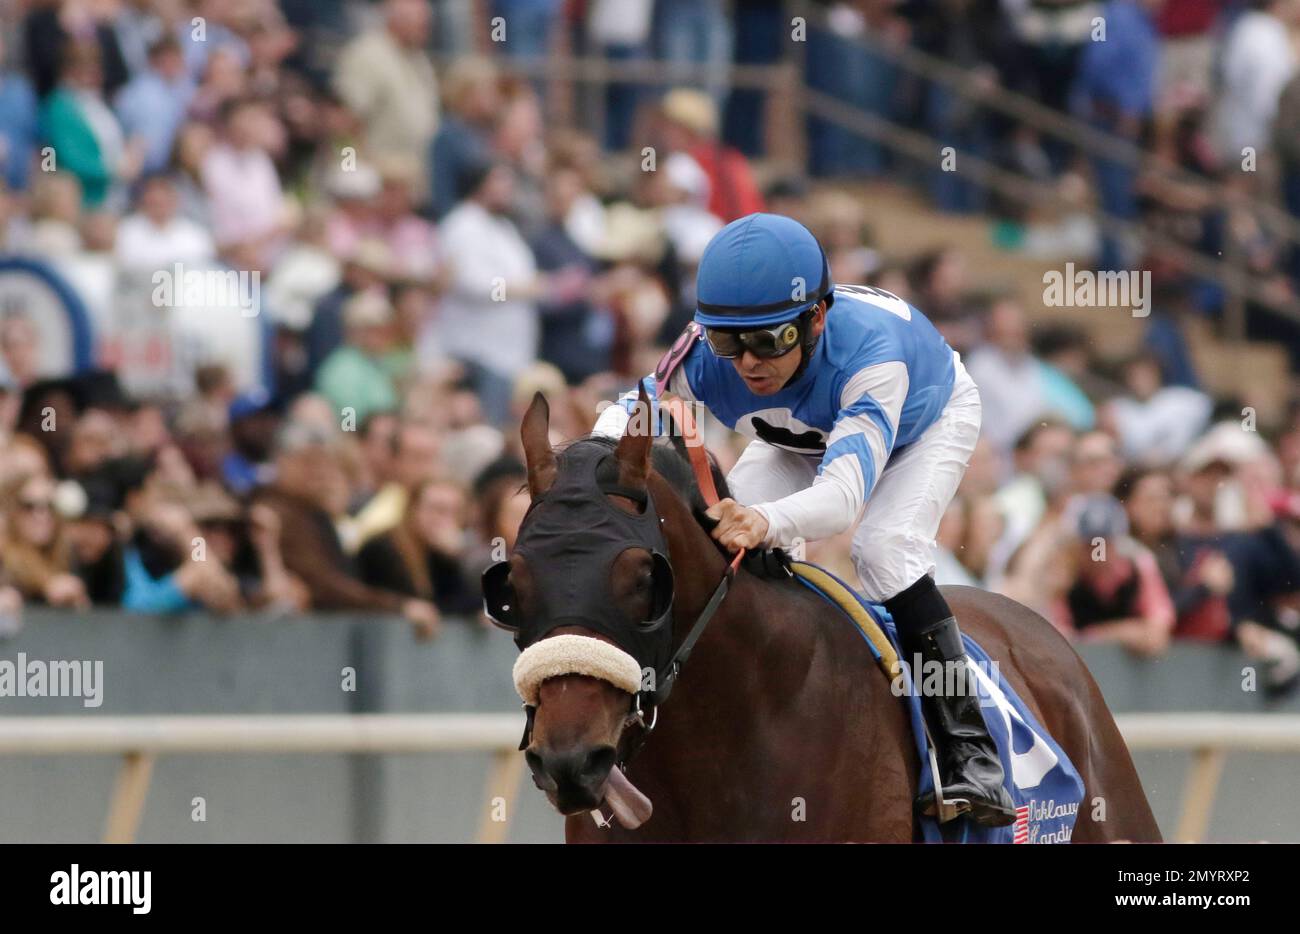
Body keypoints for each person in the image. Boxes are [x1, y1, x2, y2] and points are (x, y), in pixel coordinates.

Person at [594, 213, 1014, 825]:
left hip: (924, 422)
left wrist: (766, 520)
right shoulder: (706, 350)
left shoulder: (871, 358)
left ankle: (968, 751)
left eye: (770, 342)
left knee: (883, 550)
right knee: (727, 551)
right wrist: (586, 457)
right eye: (730, 344)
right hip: (800, 433)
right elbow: (631, 415)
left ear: (816, 318)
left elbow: (841, 503)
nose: (748, 365)